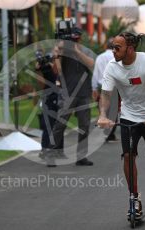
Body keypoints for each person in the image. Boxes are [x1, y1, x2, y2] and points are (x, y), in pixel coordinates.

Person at [97, 32, 145, 219]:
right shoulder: (112, 66)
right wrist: (103, 115)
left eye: (117, 47)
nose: (113, 51)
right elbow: (106, 94)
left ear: (130, 48)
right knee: (128, 156)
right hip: (128, 117)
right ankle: (134, 198)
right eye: (112, 46)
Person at [45, 25, 95, 167]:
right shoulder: (62, 52)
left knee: (84, 126)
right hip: (68, 94)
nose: (75, 40)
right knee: (60, 125)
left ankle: (81, 157)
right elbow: (56, 71)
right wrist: (56, 55)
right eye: (72, 38)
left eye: (76, 38)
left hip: (84, 94)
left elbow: (92, 64)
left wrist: (76, 51)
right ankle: (51, 155)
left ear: (80, 38)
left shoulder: (85, 51)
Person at [35, 47, 63, 159]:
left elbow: (58, 73)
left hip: (54, 97)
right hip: (50, 97)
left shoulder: (52, 68)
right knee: (49, 125)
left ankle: (54, 150)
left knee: (56, 125)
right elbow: (41, 84)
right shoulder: (47, 69)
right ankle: (46, 149)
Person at [92, 37, 120, 142]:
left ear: (105, 46)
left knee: (103, 109)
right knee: (113, 110)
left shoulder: (99, 57)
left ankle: (104, 132)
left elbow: (95, 74)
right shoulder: (116, 57)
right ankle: (110, 134)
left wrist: (94, 88)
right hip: (113, 86)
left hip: (102, 86)